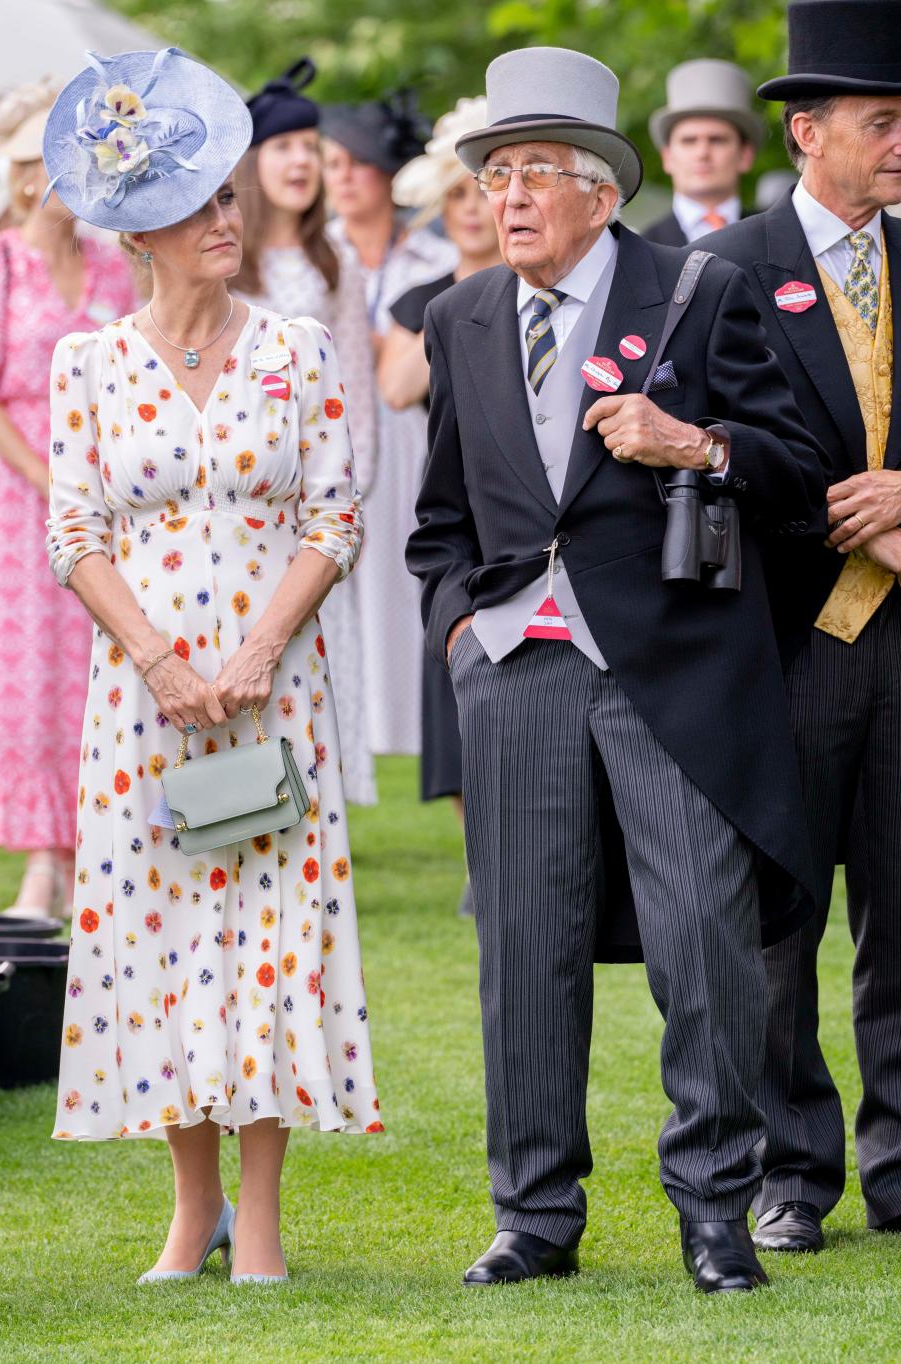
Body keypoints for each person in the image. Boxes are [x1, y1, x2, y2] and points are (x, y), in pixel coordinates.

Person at [406, 45, 828, 1294]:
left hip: (677, 669)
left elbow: (797, 465)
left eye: (537, 170)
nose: (511, 195)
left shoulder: (698, 288)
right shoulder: (460, 314)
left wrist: (688, 438)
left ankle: (714, 1208)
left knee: (702, 938)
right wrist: (459, 635)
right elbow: (442, 519)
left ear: (600, 189)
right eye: (496, 173)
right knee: (524, 951)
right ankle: (533, 1216)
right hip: (516, 669)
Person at [42, 47, 382, 1286]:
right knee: (159, 932)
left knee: (272, 935)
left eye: (229, 197)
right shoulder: (88, 364)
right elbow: (72, 531)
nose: (226, 219)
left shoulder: (296, 347)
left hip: (274, 685)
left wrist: (252, 648)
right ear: (141, 233)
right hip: (142, 700)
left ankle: (266, 1220)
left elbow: (333, 518)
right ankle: (189, 1216)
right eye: (198, 206)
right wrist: (160, 660)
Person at [700, 0, 901, 1255]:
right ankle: (793, 1170)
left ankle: (900, 1165)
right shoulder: (726, 266)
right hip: (786, 638)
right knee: (779, 919)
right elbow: (709, 455)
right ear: (808, 132)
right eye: (883, 124)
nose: (900, 144)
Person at [0, 79, 135, 917]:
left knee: (102, 667)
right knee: (27, 677)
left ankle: (98, 846)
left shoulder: (113, 260)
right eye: (62, 161)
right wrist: (51, 480)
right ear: (27, 175)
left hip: (111, 488)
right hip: (21, 498)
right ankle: (42, 865)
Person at [233, 58, 377, 805]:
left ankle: (312, 809)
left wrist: (348, 504)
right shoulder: (226, 263)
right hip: (241, 502)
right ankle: (240, 803)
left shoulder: (336, 264)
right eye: (285, 147)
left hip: (316, 508)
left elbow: (356, 390)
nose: (301, 162)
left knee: (313, 661)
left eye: (312, 149)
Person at [379, 96, 502, 914]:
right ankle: (477, 853)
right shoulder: (421, 298)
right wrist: (461, 303)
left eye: (479, 195)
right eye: (454, 197)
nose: (469, 211)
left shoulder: (539, 286)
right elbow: (396, 386)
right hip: (453, 493)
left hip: (527, 491)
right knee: (450, 657)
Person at [322, 97, 457, 757]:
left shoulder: (432, 259)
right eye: (333, 165)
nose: (343, 179)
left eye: (359, 165)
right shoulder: (316, 256)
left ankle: (401, 722)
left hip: (409, 434)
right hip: (333, 431)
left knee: (403, 576)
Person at [641, 59, 766, 246]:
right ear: (667, 157)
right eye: (689, 141)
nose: (702, 153)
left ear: (745, 155)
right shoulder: (642, 246)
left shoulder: (772, 236)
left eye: (717, 140)